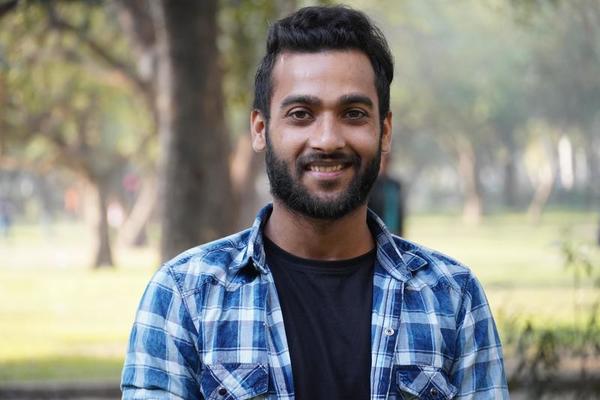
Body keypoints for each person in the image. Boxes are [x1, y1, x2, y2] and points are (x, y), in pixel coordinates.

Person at [121, 6, 508, 399]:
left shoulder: (453, 297)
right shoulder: (184, 296)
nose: (327, 140)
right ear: (261, 129)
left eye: (353, 114)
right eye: (301, 114)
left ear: (385, 131)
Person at [368, 154, 405, 236]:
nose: (385, 164)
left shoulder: (395, 184)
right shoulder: (372, 185)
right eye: (383, 161)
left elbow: (399, 210)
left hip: (395, 232)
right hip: (378, 232)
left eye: (387, 161)